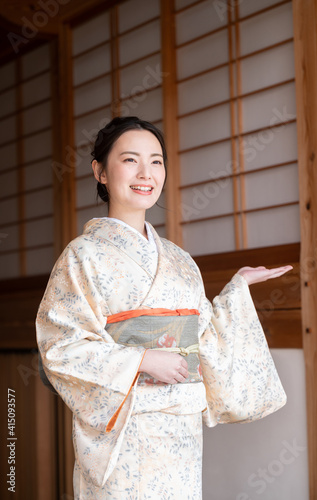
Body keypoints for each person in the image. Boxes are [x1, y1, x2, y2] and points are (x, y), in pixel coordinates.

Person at [36, 116, 290, 499]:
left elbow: (202, 335)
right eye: (129, 160)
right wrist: (141, 361)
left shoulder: (179, 260)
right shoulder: (82, 257)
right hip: (124, 430)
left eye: (156, 161)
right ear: (100, 172)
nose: (146, 173)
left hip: (181, 431)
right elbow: (60, 347)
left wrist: (236, 290)